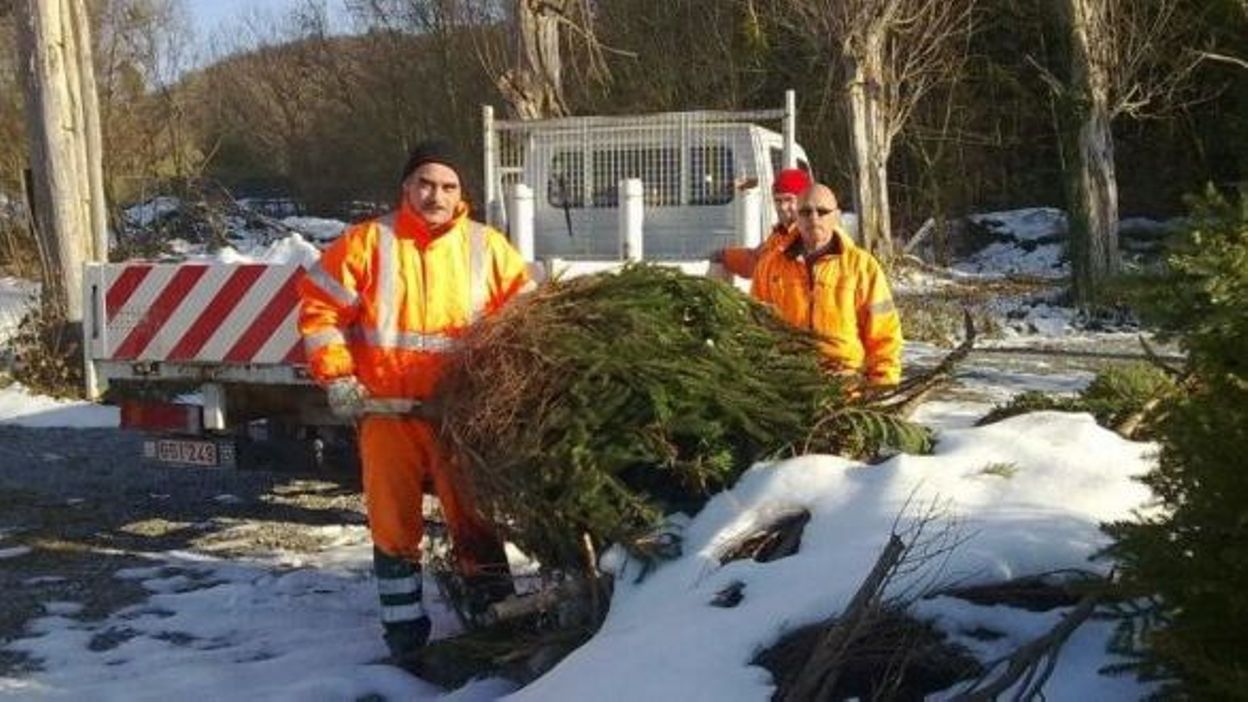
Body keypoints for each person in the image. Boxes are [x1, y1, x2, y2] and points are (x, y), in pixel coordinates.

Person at [297, 139, 531, 665]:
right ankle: (404, 637)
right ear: (406, 188)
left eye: (448, 186)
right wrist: (337, 376)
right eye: (426, 184)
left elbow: (522, 324)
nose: (436, 195)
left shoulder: (487, 248)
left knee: (474, 519)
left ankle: (493, 616)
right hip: (387, 414)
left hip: (458, 416)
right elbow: (320, 310)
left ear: (461, 194)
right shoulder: (367, 243)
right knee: (393, 525)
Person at [751, 183, 902, 385]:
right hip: (787, 389)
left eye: (822, 211)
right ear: (796, 216)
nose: (813, 218)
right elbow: (754, 329)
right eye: (805, 212)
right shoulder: (769, 266)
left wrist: (882, 388)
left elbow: (885, 334)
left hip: (846, 391)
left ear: (836, 216)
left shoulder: (863, 267)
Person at [711, 167, 812, 278]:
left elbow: (769, 267)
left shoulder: (810, 236)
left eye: (789, 200)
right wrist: (725, 256)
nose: (783, 207)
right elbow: (756, 259)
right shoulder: (780, 234)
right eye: (778, 200)